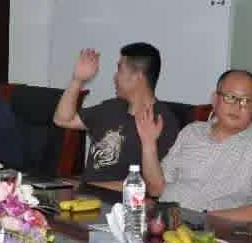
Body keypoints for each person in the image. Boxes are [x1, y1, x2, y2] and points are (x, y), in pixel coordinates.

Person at [140, 69, 252, 220]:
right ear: (215, 99)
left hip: (214, 229)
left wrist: (204, 219)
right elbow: (156, 189)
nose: (237, 106)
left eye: (245, 101)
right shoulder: (192, 132)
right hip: (166, 219)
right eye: (230, 97)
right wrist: (148, 143)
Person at [52, 44, 179, 189]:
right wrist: (78, 80)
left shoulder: (162, 122)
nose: (115, 77)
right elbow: (62, 120)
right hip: (84, 195)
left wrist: (87, 187)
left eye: (119, 69)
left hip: (118, 201)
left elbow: (153, 188)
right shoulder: (112, 107)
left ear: (137, 76)